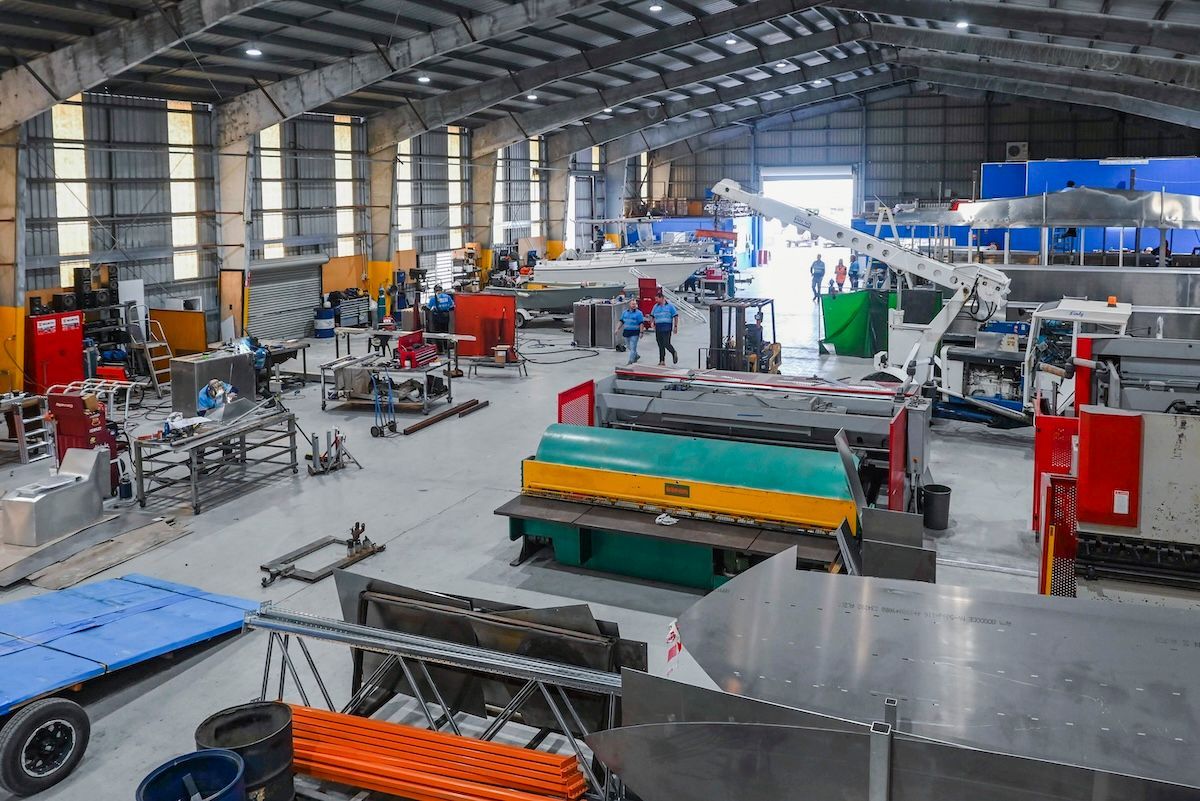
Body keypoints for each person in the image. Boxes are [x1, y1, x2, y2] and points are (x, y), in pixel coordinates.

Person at [650, 292, 679, 366]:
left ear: (662, 298)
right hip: (658, 327)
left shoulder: (670, 306)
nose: (656, 300)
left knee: (666, 343)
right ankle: (662, 361)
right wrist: (652, 323)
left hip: (667, 327)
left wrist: (675, 326)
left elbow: (675, 316)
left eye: (657, 299)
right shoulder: (655, 306)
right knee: (660, 344)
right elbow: (652, 315)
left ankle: (673, 352)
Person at [615, 298, 645, 365]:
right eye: (633, 304)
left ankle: (630, 362)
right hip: (626, 332)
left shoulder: (639, 313)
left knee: (633, 347)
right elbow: (621, 321)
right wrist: (617, 329)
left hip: (635, 332)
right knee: (629, 346)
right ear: (629, 304)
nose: (634, 305)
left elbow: (641, 323)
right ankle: (636, 355)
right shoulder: (625, 313)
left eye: (635, 304)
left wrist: (641, 332)